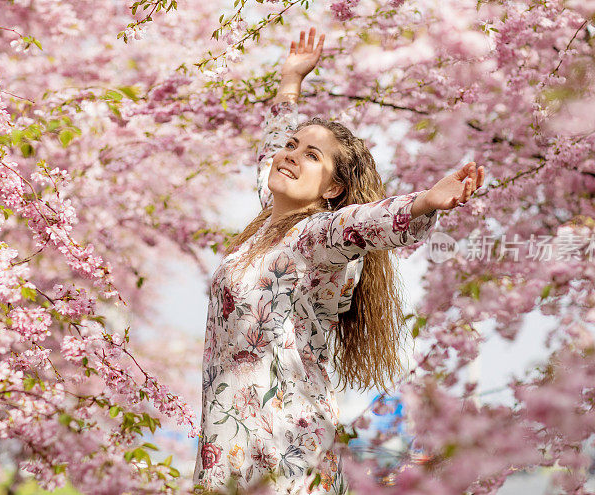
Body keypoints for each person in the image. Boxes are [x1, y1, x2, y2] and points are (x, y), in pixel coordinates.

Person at [193, 27, 485, 494]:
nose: (289, 157)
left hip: (284, 445)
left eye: (310, 156)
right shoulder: (269, 227)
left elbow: (364, 223)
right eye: (292, 147)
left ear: (332, 190)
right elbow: (271, 151)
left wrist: (426, 202)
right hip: (230, 438)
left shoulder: (316, 237)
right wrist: (290, 82)